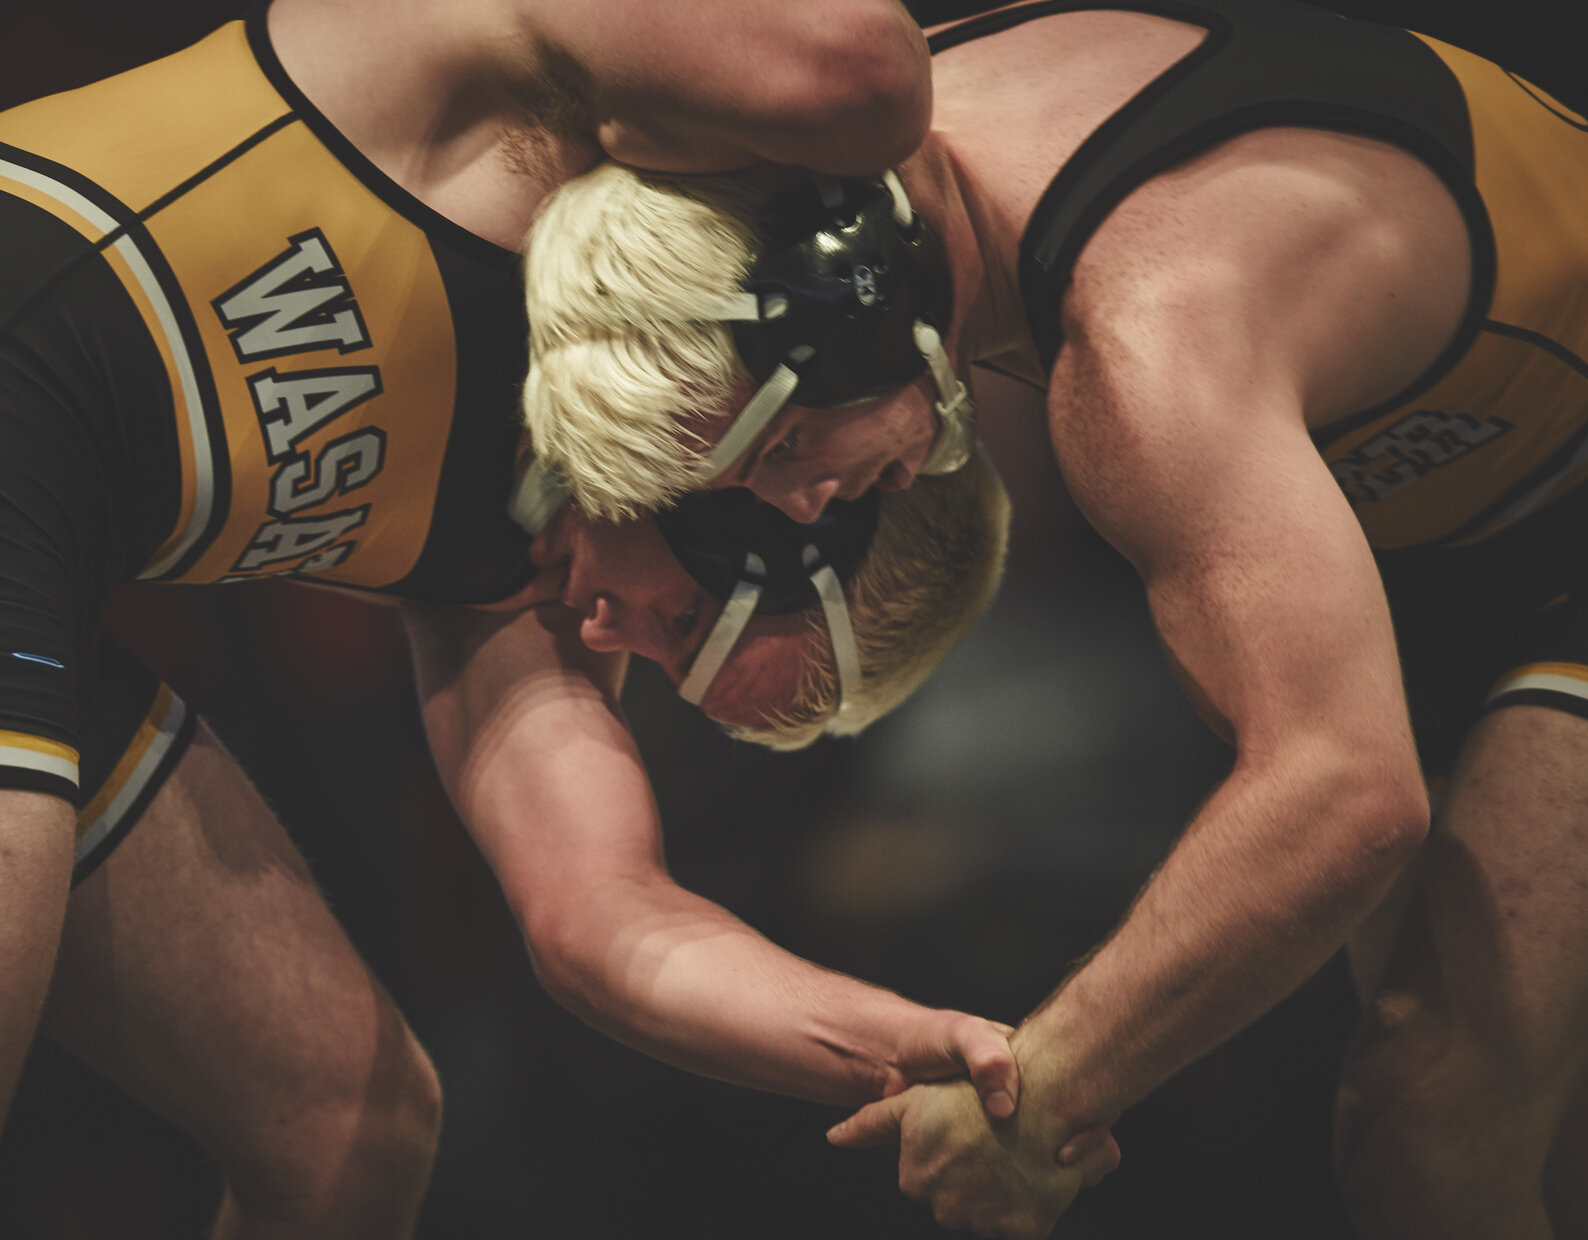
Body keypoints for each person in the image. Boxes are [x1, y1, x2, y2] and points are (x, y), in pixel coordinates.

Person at [0, 2, 1027, 1236]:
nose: (622, 641)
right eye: (686, 622)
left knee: (350, 1138)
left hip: (14, 582)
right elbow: (855, 63)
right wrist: (905, 339)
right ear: (773, 492)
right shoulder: (524, 132)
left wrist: (896, 1046)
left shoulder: (520, 577)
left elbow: (607, 926)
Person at [519, 0, 1588, 1235]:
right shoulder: (857, 155)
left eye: (796, 444)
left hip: (1538, 511)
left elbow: (1344, 794)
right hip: (1473, 516)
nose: (807, 497)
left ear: (847, 299)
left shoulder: (1147, 339)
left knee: (1429, 1120)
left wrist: (1046, 1088)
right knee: (1518, 1123)